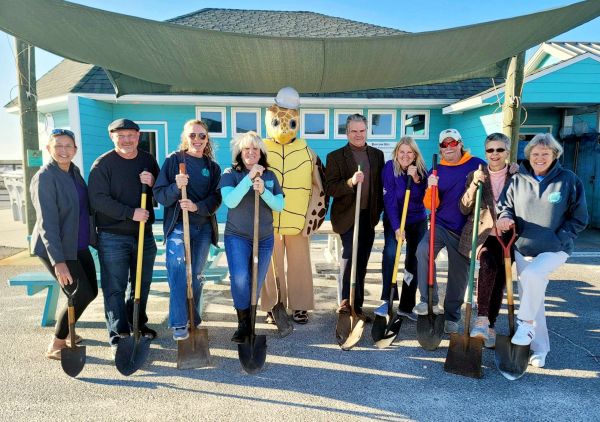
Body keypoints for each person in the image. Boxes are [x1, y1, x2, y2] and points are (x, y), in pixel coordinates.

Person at [497, 133, 588, 368]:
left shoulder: (568, 180)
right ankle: (540, 349)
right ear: (529, 156)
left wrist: (560, 238)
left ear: (555, 155)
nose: (539, 158)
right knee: (532, 297)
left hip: (555, 249)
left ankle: (525, 323)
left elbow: (579, 218)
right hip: (523, 247)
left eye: (545, 153)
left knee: (532, 276)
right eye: (535, 154)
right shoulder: (517, 180)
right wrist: (505, 217)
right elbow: (505, 206)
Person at [88, 118, 160, 354]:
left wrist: (153, 182)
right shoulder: (103, 164)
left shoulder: (147, 160)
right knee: (115, 286)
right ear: (112, 137)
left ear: (138, 136)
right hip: (113, 236)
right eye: (121, 136)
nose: (126, 140)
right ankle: (119, 333)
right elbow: (97, 199)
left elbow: (161, 191)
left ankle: (137, 322)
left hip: (144, 234)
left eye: (131, 135)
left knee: (141, 283)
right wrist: (130, 213)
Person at [259, 87, 327, 325]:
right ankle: (272, 305)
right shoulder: (260, 151)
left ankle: (300, 305)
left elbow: (320, 186)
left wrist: (313, 218)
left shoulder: (308, 152)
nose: (283, 128)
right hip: (269, 222)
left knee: (300, 266)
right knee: (270, 267)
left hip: (298, 221)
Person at [30, 129, 97, 360]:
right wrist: (58, 262)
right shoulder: (45, 177)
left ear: (75, 150)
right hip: (57, 248)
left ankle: (67, 331)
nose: (63, 150)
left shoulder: (74, 172)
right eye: (58, 145)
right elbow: (47, 223)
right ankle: (57, 343)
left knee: (90, 292)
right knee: (79, 293)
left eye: (68, 146)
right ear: (49, 149)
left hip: (78, 245)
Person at [153, 119, 222, 341]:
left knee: (196, 276)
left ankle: (193, 317)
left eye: (202, 135)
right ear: (185, 137)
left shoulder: (212, 167)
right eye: (192, 135)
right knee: (177, 271)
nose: (197, 139)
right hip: (178, 227)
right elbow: (160, 195)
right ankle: (179, 322)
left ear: (207, 139)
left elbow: (216, 199)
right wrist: (176, 187)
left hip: (203, 229)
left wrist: (196, 207)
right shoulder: (174, 161)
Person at [414, 129, 486, 334]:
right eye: (444, 145)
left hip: (465, 229)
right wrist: (431, 187)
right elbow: (430, 204)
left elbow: (498, 175)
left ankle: (452, 316)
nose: (449, 147)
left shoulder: (476, 164)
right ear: (440, 148)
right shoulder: (436, 170)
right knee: (423, 250)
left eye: (452, 143)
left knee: (459, 273)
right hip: (440, 225)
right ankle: (428, 300)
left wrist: (512, 169)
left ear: (460, 144)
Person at [219, 131, 284, 343]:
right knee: (240, 279)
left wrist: (263, 190)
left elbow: (279, 205)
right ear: (239, 152)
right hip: (237, 236)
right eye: (246, 148)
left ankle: (251, 322)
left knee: (256, 280)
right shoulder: (230, 174)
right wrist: (249, 179)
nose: (251, 152)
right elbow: (230, 201)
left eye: (255, 148)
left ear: (261, 152)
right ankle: (243, 324)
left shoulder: (270, 176)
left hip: (264, 238)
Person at [458, 133, 518, 348]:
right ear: (485, 153)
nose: (495, 154)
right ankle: (482, 318)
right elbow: (464, 207)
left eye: (500, 150)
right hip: (484, 235)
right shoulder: (476, 174)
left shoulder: (517, 175)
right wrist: (475, 184)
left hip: (508, 236)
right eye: (490, 150)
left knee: (500, 281)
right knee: (488, 264)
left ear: (507, 152)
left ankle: (490, 325)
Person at [325, 113, 384, 319]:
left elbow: (379, 186)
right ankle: (345, 301)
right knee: (350, 255)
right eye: (353, 131)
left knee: (362, 261)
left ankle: (356, 307)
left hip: (368, 216)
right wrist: (350, 182)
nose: (358, 135)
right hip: (347, 217)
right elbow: (330, 188)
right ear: (347, 132)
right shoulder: (335, 157)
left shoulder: (377, 155)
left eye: (362, 130)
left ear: (367, 131)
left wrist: (380, 212)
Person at [376, 136, 428, 322]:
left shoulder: (422, 170)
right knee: (391, 253)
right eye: (402, 151)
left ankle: (407, 305)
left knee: (414, 259)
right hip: (394, 218)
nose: (405, 155)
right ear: (396, 152)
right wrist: (397, 227)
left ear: (415, 154)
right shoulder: (389, 168)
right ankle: (387, 300)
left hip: (417, 220)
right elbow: (389, 200)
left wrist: (415, 178)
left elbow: (423, 198)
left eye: (409, 152)